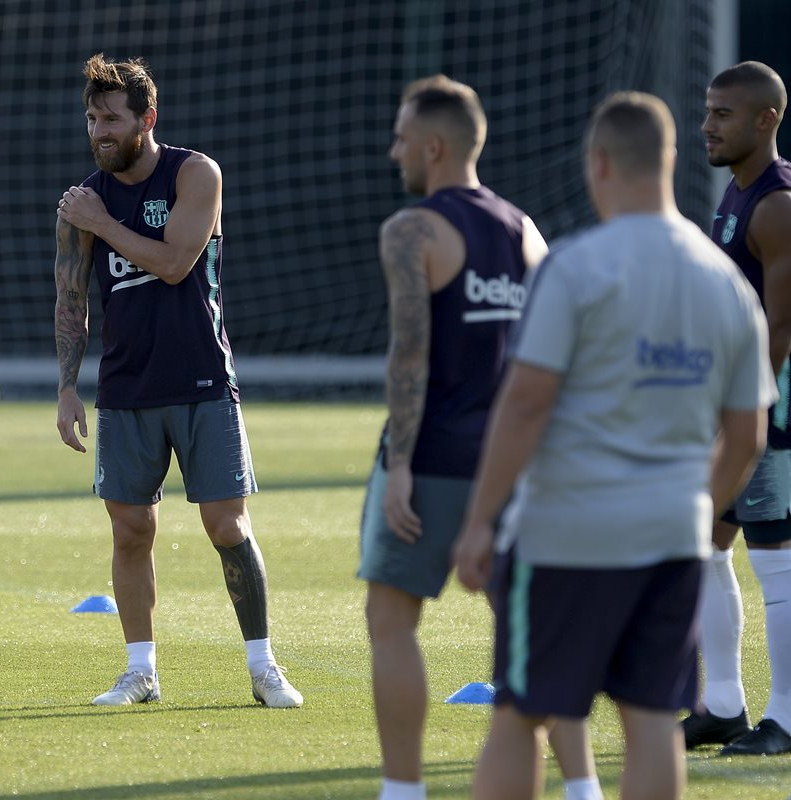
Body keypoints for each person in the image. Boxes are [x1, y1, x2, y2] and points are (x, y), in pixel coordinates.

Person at [453, 92, 772, 800]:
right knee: (652, 721)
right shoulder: (726, 284)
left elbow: (525, 403)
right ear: (669, 162)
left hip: (564, 535)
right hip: (671, 538)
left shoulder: (575, 265)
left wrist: (478, 522)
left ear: (599, 163)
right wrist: (695, 508)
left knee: (522, 715)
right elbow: (746, 435)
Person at [360, 75, 602, 800]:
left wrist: (401, 463)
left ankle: (402, 791)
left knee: (391, 621)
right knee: (533, 633)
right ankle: (584, 788)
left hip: (432, 460)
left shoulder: (411, 230)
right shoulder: (526, 230)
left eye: (402, 137)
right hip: (515, 465)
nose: (394, 151)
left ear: (433, 146)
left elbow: (410, 355)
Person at [53, 53, 302, 709]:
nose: (99, 131)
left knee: (227, 524)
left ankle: (263, 666)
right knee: (130, 531)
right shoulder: (82, 204)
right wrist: (68, 387)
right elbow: (71, 299)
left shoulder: (194, 174)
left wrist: (102, 224)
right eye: (91, 119)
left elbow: (174, 264)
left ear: (147, 119)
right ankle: (141, 672)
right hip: (125, 388)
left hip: (201, 380)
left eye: (111, 119)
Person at [684, 60, 791, 756]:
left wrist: (746, 415)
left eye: (722, 113)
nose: (708, 125)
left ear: (766, 119)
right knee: (707, 543)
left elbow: (781, 328)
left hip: (770, 407)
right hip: (734, 402)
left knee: (776, 561)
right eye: (707, 111)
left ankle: (786, 718)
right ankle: (722, 704)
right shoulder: (738, 189)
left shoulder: (778, 205)